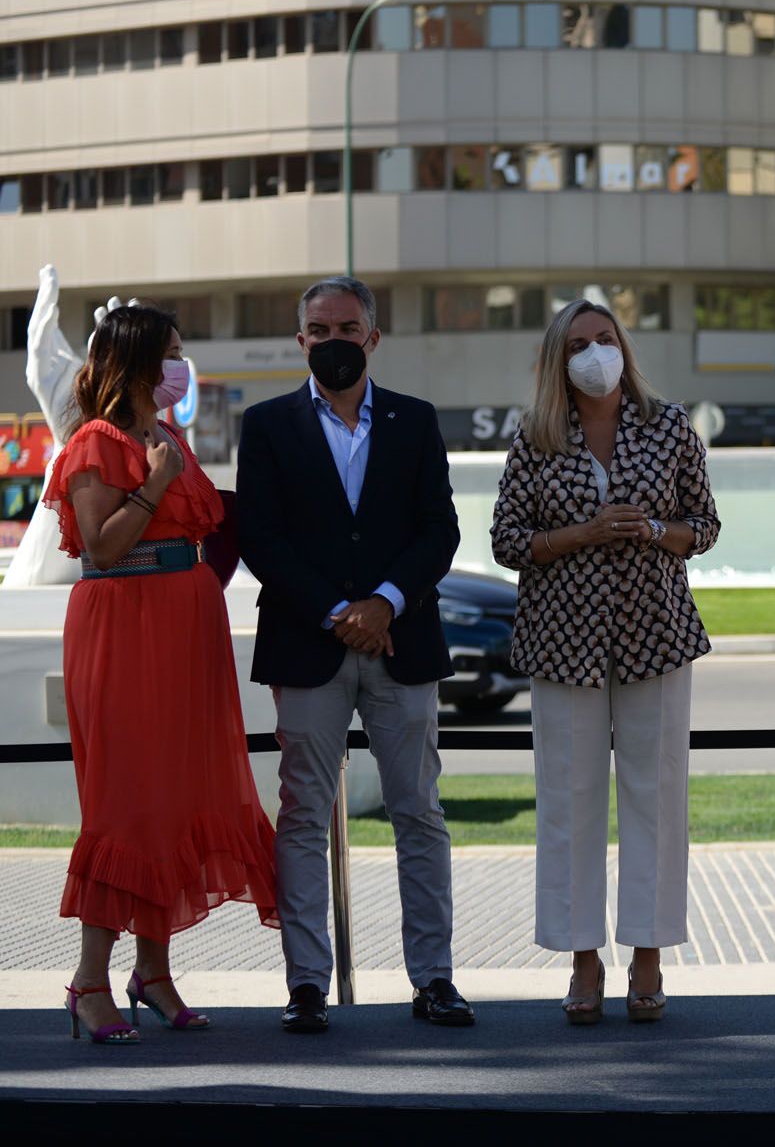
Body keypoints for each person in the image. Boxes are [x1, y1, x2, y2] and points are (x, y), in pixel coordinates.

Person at [235, 276, 470, 1034]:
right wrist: (338, 611)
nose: (332, 339)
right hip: (308, 643)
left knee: (420, 813)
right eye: (317, 327)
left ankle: (434, 978)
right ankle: (306, 984)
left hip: (403, 641)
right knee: (302, 814)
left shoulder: (415, 419)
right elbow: (260, 538)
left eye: (347, 326)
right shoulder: (265, 424)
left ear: (373, 336)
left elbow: (440, 529)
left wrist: (384, 602)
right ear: (300, 338)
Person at [42, 305, 278, 1043]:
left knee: (174, 802)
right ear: (141, 361)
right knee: (127, 806)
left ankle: (153, 971)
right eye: (172, 352)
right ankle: (88, 980)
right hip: (125, 630)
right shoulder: (95, 442)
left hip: (185, 633)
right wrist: (153, 484)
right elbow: (104, 548)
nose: (181, 366)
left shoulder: (166, 435)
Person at [489, 298, 720, 1025]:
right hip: (562, 640)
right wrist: (583, 533)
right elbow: (506, 539)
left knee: (657, 799)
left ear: (624, 346)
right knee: (568, 803)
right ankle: (582, 958)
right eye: (580, 343)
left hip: (655, 633)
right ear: (561, 359)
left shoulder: (670, 425)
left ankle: (647, 954)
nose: (596, 352)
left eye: (605, 338)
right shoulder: (535, 436)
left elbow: (705, 525)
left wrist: (653, 529)